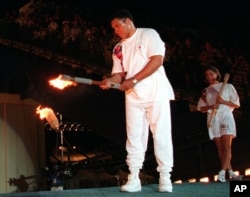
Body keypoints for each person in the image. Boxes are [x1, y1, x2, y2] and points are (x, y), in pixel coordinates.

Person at [100, 9, 175, 192]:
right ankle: (134, 177)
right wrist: (111, 81)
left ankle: (165, 177)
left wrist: (133, 80)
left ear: (128, 21)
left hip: (156, 92)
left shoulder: (148, 34)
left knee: (161, 134)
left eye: (117, 25)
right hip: (133, 96)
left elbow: (157, 60)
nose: (115, 30)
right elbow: (119, 74)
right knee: (134, 136)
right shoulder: (118, 48)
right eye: (113, 27)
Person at [197, 66, 241, 182]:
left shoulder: (228, 86)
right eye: (207, 75)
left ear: (217, 74)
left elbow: (236, 104)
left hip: (225, 115)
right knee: (220, 147)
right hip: (213, 117)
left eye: (211, 74)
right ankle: (230, 172)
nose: (209, 77)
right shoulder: (205, 91)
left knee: (227, 146)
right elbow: (200, 108)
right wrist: (211, 106)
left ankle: (221, 172)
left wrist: (223, 102)